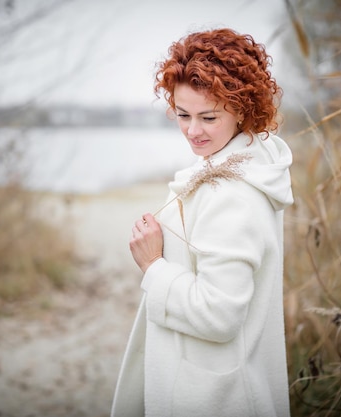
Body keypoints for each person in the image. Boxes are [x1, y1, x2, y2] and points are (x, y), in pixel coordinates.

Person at [111, 28, 294, 417]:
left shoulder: (231, 194)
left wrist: (153, 266)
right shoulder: (238, 165)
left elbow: (219, 314)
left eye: (208, 116)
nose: (193, 131)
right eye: (183, 115)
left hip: (212, 398)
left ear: (242, 108)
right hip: (215, 387)